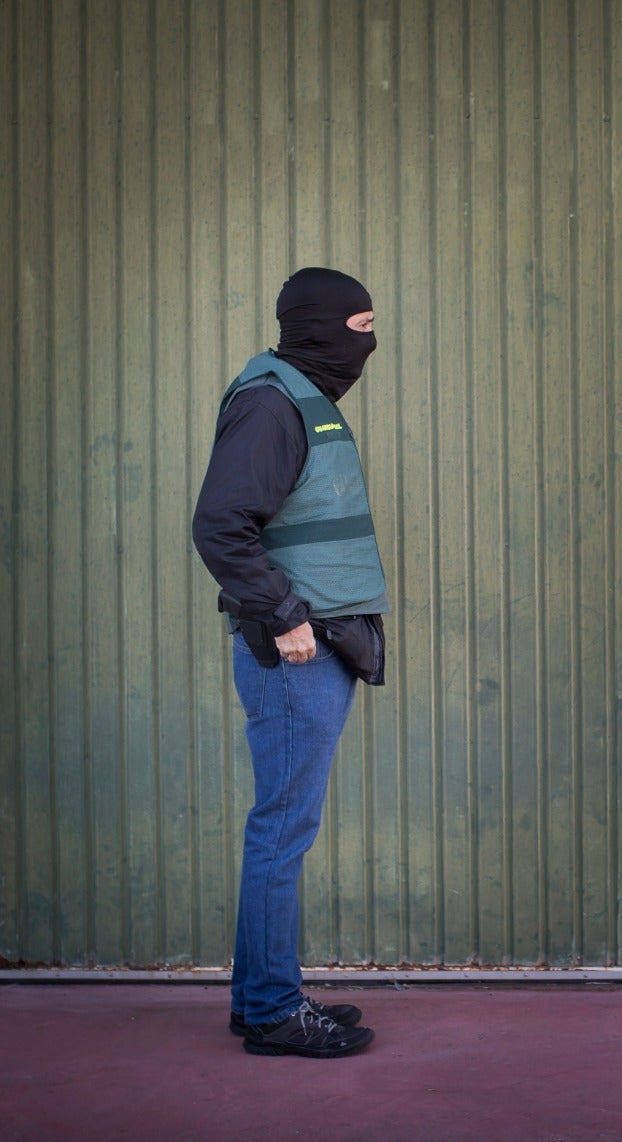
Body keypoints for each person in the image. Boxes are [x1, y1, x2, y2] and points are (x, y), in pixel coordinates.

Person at [192, 267, 389, 1058]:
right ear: (319, 325)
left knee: (281, 828)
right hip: (295, 653)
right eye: (359, 324)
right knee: (281, 832)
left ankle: (259, 999)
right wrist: (285, 620)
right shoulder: (273, 403)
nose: (369, 341)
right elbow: (220, 523)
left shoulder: (295, 393)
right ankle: (273, 1013)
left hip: (317, 645)